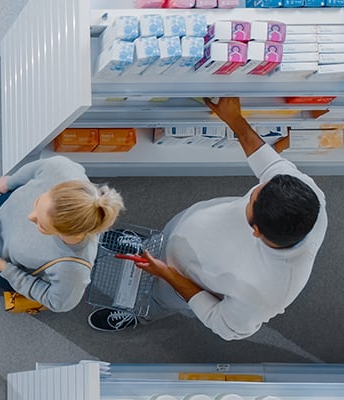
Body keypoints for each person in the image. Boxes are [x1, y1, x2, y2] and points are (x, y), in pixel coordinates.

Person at [88, 97, 326, 340]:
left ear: (255, 231)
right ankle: (147, 245)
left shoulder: (266, 293)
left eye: (251, 200)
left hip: (182, 279)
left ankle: (138, 313)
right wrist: (235, 120)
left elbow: (222, 323)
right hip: (181, 231)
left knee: (160, 298)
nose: (254, 188)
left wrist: (169, 274)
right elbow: (269, 166)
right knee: (162, 239)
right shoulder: (305, 194)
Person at [0, 156, 124, 313]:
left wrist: (1, 267)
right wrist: (9, 182)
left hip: (5, 262)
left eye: (40, 224)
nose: (30, 216)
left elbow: (58, 303)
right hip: (2, 212)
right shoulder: (62, 170)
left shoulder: (72, 267)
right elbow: (38, 168)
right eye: (37, 203)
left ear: (64, 233)